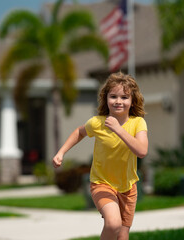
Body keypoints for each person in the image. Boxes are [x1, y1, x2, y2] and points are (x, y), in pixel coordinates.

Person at [53, 72, 148, 240]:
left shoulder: (138, 123)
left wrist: (118, 129)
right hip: (102, 183)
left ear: (132, 100)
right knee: (113, 224)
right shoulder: (97, 122)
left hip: (128, 187)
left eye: (124, 97)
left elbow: (141, 151)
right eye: (113, 96)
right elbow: (79, 132)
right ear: (106, 99)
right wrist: (61, 152)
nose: (118, 101)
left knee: (122, 236)